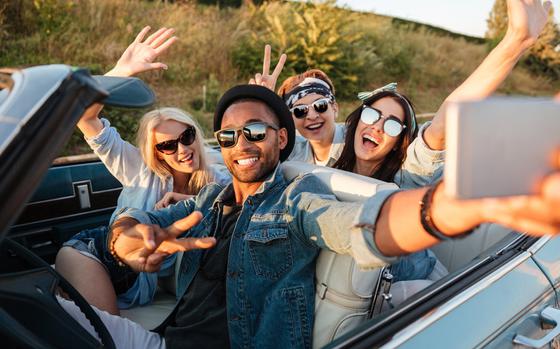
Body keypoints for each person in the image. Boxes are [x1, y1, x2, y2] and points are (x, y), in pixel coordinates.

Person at [57, 83, 560, 349]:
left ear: (282, 138)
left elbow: (363, 225)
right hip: (163, 338)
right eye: (229, 136)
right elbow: (133, 227)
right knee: (34, 311)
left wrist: (447, 206)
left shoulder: (297, 199)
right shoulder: (209, 201)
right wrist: (126, 237)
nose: (241, 143)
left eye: (256, 129)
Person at [55, 26, 230, 315]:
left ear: (195, 135)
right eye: (167, 146)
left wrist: (261, 105)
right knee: (106, 334)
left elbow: (255, 166)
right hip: (93, 254)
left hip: (138, 283)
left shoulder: (216, 172)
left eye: (186, 137)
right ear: (156, 153)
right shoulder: (139, 169)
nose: (182, 149)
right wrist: (123, 72)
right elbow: (86, 117)